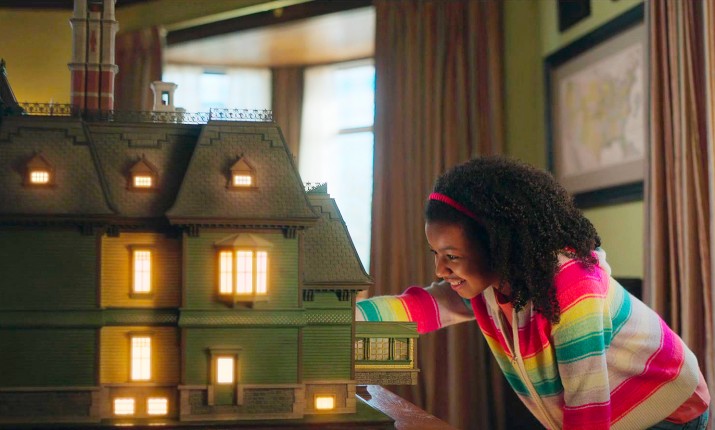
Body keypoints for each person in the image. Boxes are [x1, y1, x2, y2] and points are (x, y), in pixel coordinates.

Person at [357, 156, 710, 429]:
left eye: (452, 256)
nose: (439, 270)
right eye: (435, 254)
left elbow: (587, 411)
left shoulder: (572, 289)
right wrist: (341, 319)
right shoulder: (489, 283)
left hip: (668, 409)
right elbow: (419, 307)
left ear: (495, 245)